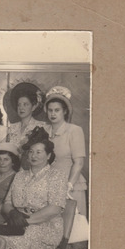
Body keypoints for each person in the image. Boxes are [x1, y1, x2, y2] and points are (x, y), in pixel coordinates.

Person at [0, 127, 67, 249]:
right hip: (17, 222)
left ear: (49, 155)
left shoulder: (56, 176)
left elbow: (55, 208)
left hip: (46, 226)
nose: (33, 155)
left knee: (14, 243)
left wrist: (26, 221)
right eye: (31, 152)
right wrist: (12, 212)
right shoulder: (19, 176)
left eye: (39, 152)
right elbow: (7, 203)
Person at [44, 86, 88, 217]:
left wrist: (68, 186)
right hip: (49, 185)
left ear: (64, 111)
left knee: (72, 230)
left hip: (71, 185)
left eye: (57, 110)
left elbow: (79, 163)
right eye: (50, 110)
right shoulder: (44, 130)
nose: (53, 114)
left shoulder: (74, 130)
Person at [7, 83, 47, 168]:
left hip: (32, 169)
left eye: (25, 104)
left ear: (33, 107)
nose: (21, 108)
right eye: (19, 105)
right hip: (13, 169)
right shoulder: (11, 128)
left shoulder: (41, 126)